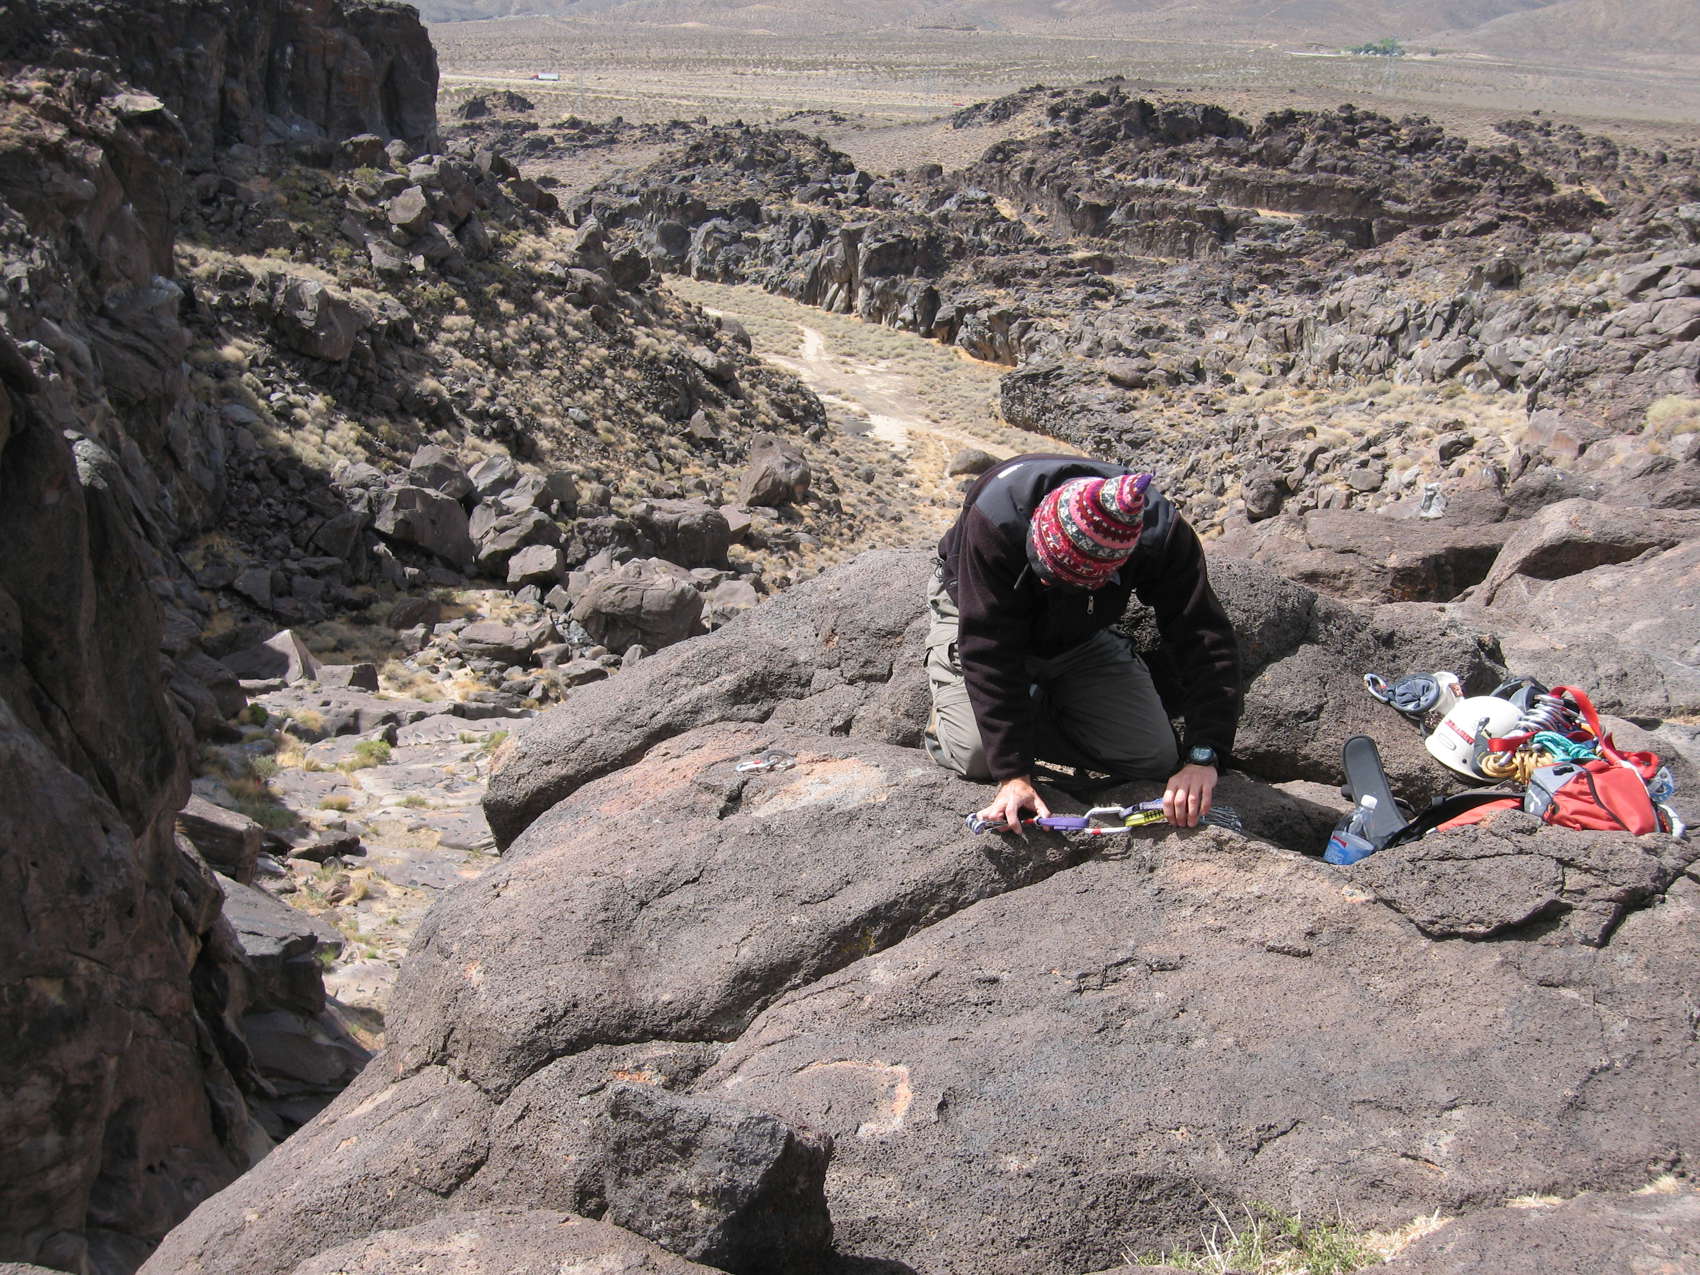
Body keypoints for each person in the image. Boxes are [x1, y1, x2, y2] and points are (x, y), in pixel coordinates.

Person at [925, 453, 1241, 831]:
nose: (1045, 581)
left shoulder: (1162, 535)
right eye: (1042, 570)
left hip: (1080, 631)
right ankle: (957, 718)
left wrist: (1204, 755)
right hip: (975, 609)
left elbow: (1204, 636)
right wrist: (1013, 775)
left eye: (1061, 580)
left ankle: (1034, 702)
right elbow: (986, 645)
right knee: (978, 754)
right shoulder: (996, 517)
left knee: (1153, 756)